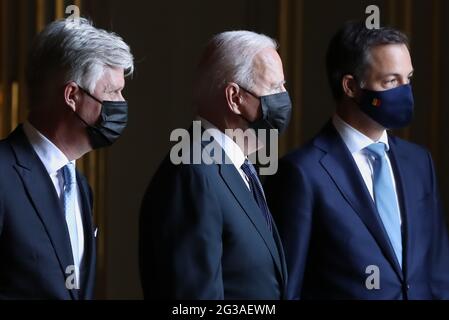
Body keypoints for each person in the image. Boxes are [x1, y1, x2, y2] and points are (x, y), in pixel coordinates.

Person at [265, 21, 449, 299]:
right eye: (391, 81)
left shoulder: (419, 162)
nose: (406, 91)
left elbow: (438, 271)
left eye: (408, 79)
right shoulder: (303, 172)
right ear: (351, 86)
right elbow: (290, 287)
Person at [139, 31, 291, 299]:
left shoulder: (237, 168)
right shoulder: (193, 173)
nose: (284, 98)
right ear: (234, 98)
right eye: (274, 88)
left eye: (284, 86)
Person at [0, 18, 133, 299]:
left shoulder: (80, 186)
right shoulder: (3, 173)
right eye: (112, 91)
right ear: (72, 95)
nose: (121, 103)